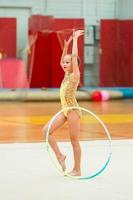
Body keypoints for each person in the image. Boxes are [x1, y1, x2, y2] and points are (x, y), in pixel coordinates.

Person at [43, 29, 84, 176]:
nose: (64, 64)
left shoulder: (74, 75)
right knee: (46, 132)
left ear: (74, 64)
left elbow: (73, 57)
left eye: (68, 62)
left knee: (74, 140)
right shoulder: (67, 73)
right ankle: (60, 156)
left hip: (73, 111)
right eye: (65, 62)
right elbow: (62, 60)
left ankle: (77, 169)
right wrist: (65, 45)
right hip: (65, 110)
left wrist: (74, 40)